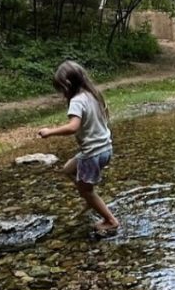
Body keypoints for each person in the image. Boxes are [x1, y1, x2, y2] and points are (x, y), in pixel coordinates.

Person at [37, 61, 119, 234]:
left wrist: (49, 132)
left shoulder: (77, 100)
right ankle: (90, 198)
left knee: (86, 190)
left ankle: (110, 220)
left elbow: (73, 127)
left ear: (67, 85)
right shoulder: (93, 94)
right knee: (68, 169)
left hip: (92, 154)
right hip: (105, 149)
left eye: (61, 88)